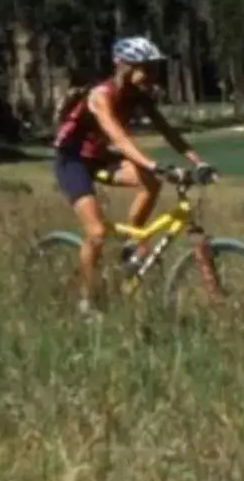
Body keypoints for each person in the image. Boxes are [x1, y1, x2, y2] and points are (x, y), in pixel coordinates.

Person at [53, 35, 211, 314]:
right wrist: (152, 164)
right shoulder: (100, 96)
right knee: (97, 231)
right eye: (146, 69)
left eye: (153, 69)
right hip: (73, 160)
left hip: (101, 158)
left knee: (151, 183)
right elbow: (120, 137)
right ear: (125, 67)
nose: (152, 75)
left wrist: (198, 161)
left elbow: (168, 131)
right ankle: (87, 302)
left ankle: (130, 242)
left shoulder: (138, 95)